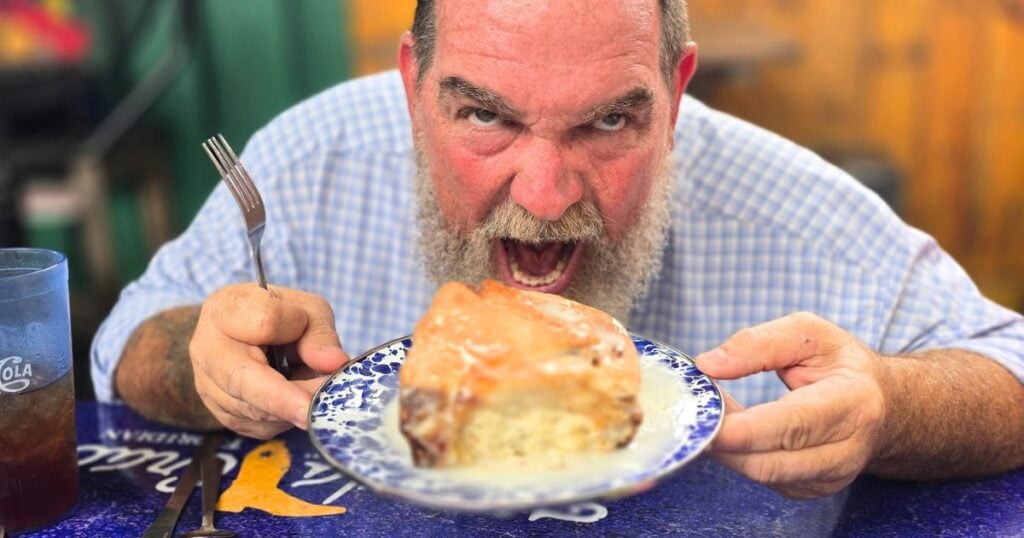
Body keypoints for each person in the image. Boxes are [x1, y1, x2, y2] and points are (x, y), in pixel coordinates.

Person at [91, 0, 1024, 500]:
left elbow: (1011, 371)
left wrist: (891, 406)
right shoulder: (305, 163)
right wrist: (198, 363)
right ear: (414, 89)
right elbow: (127, 339)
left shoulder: (800, 215)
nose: (543, 196)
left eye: (611, 120)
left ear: (677, 90)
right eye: (484, 116)